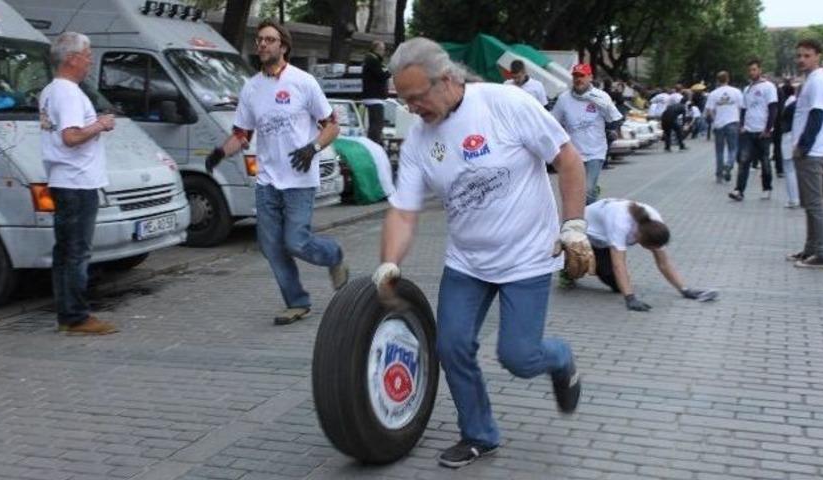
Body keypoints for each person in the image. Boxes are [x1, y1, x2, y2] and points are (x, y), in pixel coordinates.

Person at [373, 37, 594, 468]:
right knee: (451, 345)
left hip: (527, 257)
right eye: (405, 100)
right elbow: (403, 210)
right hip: (467, 262)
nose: (413, 108)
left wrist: (573, 226)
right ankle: (479, 433)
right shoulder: (419, 141)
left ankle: (560, 359)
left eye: (418, 98)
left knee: (519, 356)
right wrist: (389, 263)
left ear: (449, 80)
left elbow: (568, 159)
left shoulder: (504, 104)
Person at [205, 19, 349, 324]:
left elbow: (332, 125)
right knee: (271, 246)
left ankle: (333, 256)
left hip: (299, 179)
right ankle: (297, 301)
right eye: (259, 40)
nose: (262, 45)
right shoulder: (251, 87)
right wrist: (220, 152)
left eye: (269, 40)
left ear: (283, 46)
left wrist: (312, 148)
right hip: (268, 180)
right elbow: (242, 133)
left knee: (296, 242)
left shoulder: (303, 82)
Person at [39, 32, 118, 335]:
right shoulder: (69, 92)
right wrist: (101, 123)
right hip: (77, 181)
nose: (90, 59)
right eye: (87, 53)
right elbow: (70, 136)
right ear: (71, 58)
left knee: (65, 251)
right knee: (77, 251)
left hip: (64, 179)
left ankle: (67, 313)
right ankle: (76, 317)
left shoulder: (50, 91)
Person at [584, 198, 718, 311]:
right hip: (587, 232)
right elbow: (618, 264)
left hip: (606, 239)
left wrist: (685, 289)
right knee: (604, 271)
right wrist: (630, 298)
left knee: (618, 285)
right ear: (639, 237)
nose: (652, 250)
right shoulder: (620, 224)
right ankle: (569, 263)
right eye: (650, 248)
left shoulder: (654, 223)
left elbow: (663, 263)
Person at [788, 38, 823, 269]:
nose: (802, 60)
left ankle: (822, 254)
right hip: (811, 151)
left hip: (812, 152)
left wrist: (804, 147)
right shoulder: (814, 80)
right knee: (810, 203)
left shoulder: (817, 81)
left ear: (818, 56)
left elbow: (816, 117)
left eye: (807, 55)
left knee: (815, 203)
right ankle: (810, 249)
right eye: (799, 55)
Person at [551, 63, 623, 204]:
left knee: (587, 192)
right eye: (575, 76)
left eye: (582, 76)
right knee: (576, 190)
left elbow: (614, 120)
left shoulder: (601, 96)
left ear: (590, 77)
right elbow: (553, 122)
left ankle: (588, 217)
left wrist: (606, 107)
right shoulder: (564, 98)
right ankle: (585, 212)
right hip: (574, 152)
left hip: (595, 152)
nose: (578, 79)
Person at [729, 59, 778, 202]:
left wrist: (768, 128)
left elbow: (773, 108)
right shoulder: (747, 89)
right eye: (750, 70)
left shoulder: (769, 87)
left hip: (763, 131)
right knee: (744, 161)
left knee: (765, 161)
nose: (752, 72)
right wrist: (742, 126)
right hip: (748, 131)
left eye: (754, 69)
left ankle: (767, 188)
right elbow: (744, 109)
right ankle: (739, 190)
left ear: (760, 70)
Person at [705, 71, 743, 183]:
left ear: (717, 80)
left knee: (719, 151)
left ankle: (719, 174)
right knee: (733, 148)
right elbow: (741, 107)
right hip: (733, 122)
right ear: (728, 79)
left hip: (719, 124)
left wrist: (714, 119)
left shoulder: (713, 93)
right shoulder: (736, 92)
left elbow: (709, 110)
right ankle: (729, 164)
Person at [361, 40, 390, 145]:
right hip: (374, 98)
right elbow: (382, 75)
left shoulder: (372, 60)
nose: (383, 52)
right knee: (377, 126)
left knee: (375, 125)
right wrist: (390, 70)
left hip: (373, 97)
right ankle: (373, 146)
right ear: (376, 49)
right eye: (382, 49)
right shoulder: (373, 60)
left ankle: (373, 144)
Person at [778, 83, 800, 208]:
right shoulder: (794, 103)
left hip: (788, 138)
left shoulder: (790, 105)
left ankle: (793, 198)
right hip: (792, 137)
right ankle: (796, 197)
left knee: (789, 169)